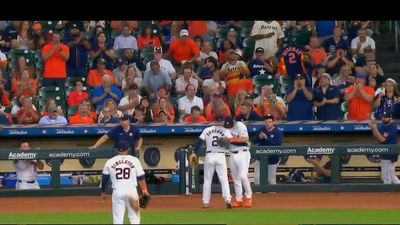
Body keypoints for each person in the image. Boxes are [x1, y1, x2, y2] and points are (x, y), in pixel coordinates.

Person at [101, 140, 150, 224]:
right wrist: (145, 191)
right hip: (131, 191)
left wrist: (103, 192)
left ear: (117, 149)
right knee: (134, 217)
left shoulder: (110, 161)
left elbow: (105, 179)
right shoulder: (134, 160)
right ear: (128, 149)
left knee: (118, 218)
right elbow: (141, 177)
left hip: (117, 192)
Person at [189, 115, 233, 209]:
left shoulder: (207, 129)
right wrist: (224, 141)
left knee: (207, 180)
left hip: (210, 155)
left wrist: (194, 153)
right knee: (224, 179)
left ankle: (205, 202)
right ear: (222, 121)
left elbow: (199, 142)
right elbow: (229, 142)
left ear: (214, 121)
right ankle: (227, 200)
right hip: (220, 155)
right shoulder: (226, 130)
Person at [223, 116, 253, 208]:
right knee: (236, 178)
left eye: (230, 124)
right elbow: (227, 141)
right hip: (232, 153)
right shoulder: (226, 128)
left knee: (243, 176)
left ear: (234, 121)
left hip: (242, 153)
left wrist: (231, 140)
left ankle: (248, 197)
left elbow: (245, 139)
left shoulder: (240, 125)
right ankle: (239, 199)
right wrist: (229, 141)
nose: (229, 127)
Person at [369, 111, 400, 184]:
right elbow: (376, 136)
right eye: (383, 117)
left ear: (391, 118)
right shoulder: (383, 125)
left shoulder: (392, 127)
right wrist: (374, 128)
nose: (383, 118)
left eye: (386, 117)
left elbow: (382, 139)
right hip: (385, 153)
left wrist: (375, 128)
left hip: (390, 154)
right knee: (392, 176)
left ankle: (386, 193)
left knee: (386, 177)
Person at [252, 114, 282, 185]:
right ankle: (258, 193)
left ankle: (272, 195)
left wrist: (267, 138)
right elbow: (254, 141)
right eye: (266, 122)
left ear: (273, 122)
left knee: (271, 180)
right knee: (257, 178)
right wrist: (259, 137)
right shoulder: (261, 130)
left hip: (272, 159)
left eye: (269, 122)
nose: (267, 124)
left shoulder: (278, 132)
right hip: (260, 158)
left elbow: (277, 144)